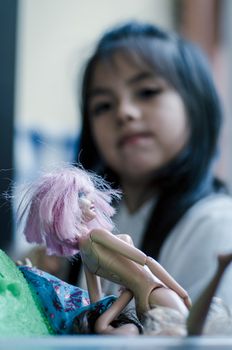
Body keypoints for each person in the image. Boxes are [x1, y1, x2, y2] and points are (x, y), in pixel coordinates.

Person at [68, 20, 232, 308]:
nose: (124, 112)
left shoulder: (217, 225)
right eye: (103, 105)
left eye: (147, 92)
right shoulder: (80, 224)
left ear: (195, 104)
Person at [17, 165, 190, 334]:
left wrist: (182, 294)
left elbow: (147, 261)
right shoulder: (86, 252)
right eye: (81, 195)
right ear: (65, 207)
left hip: (154, 292)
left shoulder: (96, 236)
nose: (91, 199)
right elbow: (96, 303)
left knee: (181, 335)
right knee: (104, 327)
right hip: (137, 298)